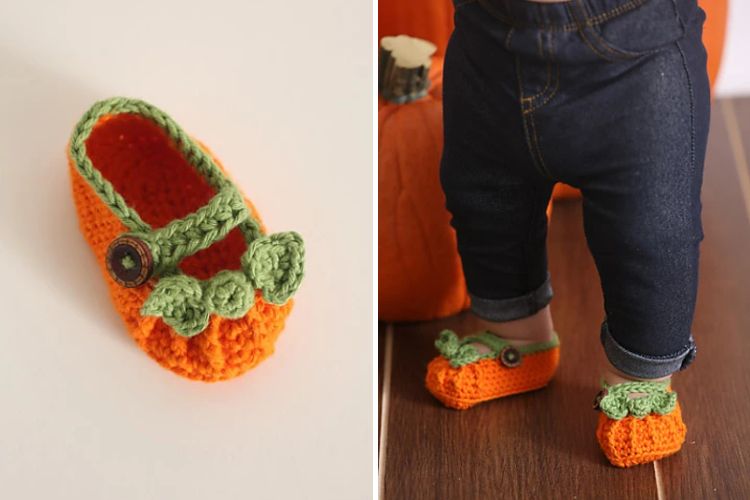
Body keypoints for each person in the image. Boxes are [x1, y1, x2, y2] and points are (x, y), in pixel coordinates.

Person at [425, 0, 709, 467]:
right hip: (490, 44)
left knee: (653, 234)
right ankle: (515, 335)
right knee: (483, 197)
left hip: (636, 62)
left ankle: (642, 376)